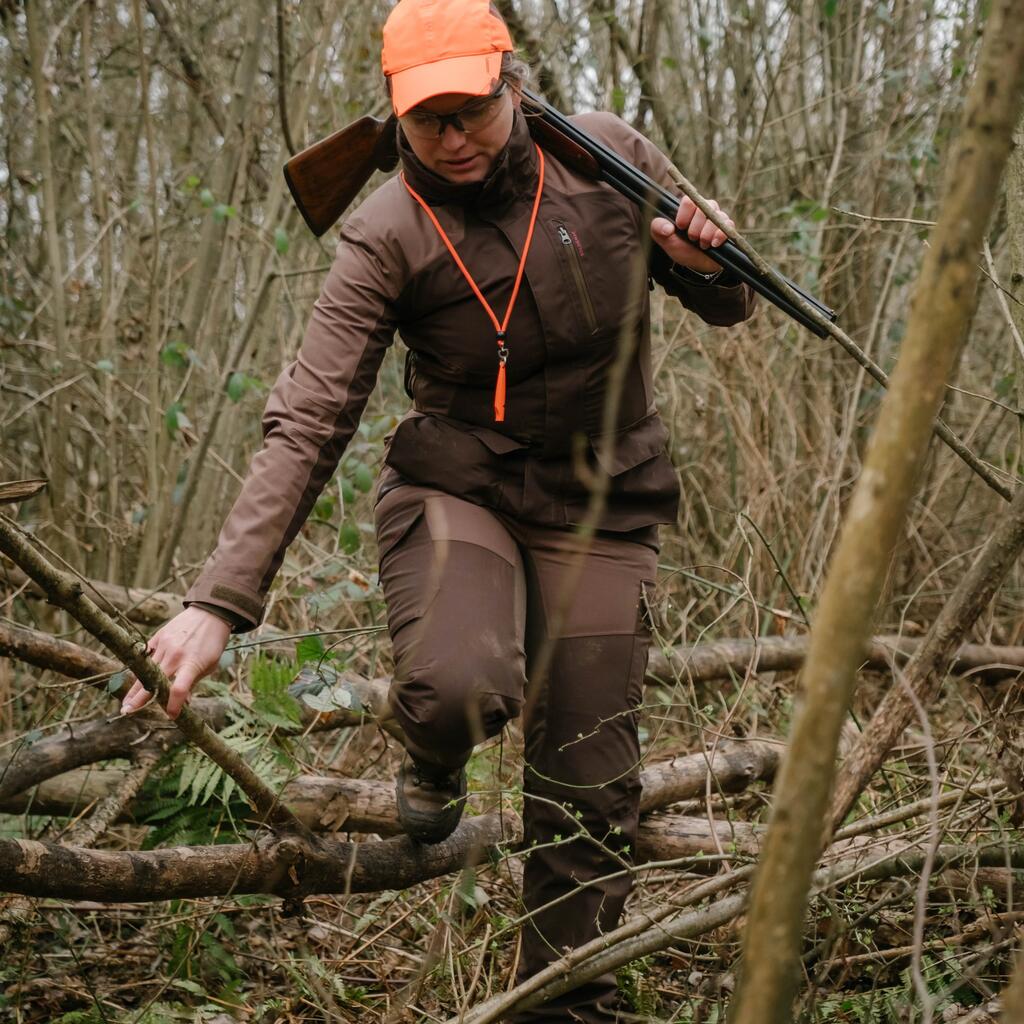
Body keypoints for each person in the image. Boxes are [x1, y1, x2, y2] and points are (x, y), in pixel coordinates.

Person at [121, 0, 757, 1018]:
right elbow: (310, 417)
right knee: (459, 682)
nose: (455, 139)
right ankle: (431, 753)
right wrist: (217, 602)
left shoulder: (608, 157)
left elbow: (732, 298)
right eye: (429, 120)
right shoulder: (382, 231)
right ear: (394, 117)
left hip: (602, 498)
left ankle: (563, 1001)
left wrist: (701, 259)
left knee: (590, 784)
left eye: (472, 110)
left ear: (512, 83)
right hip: (459, 487)